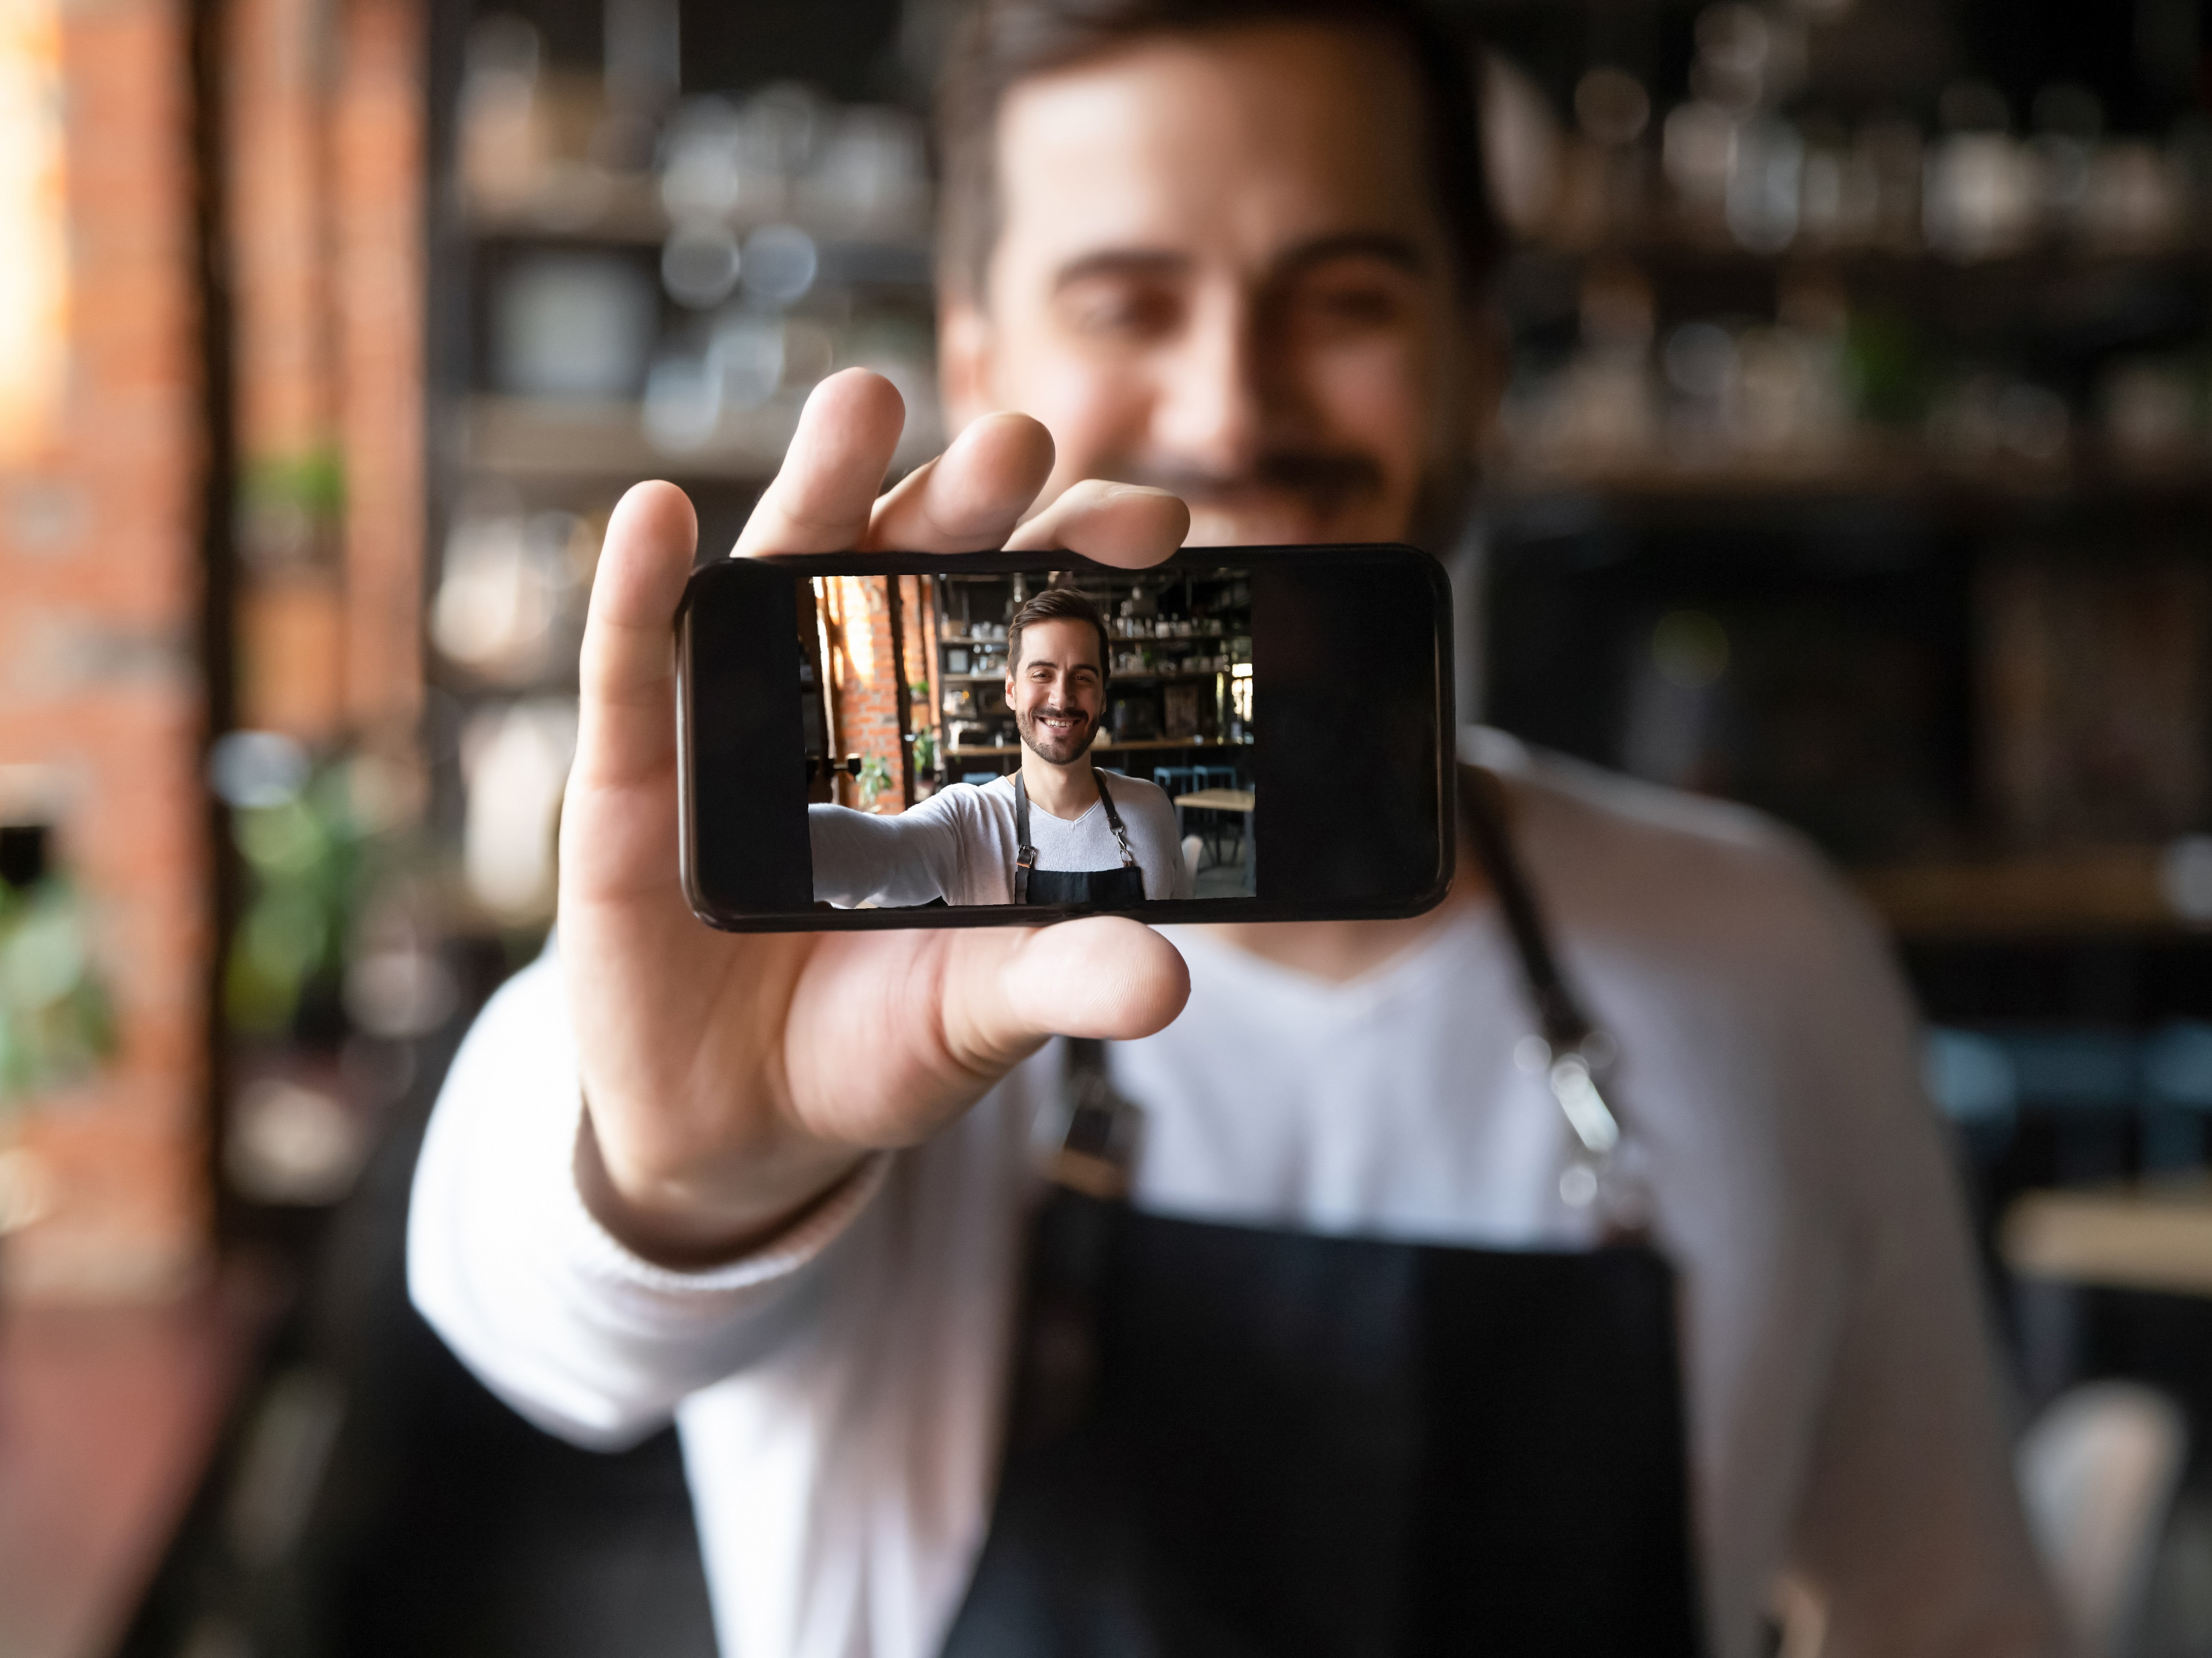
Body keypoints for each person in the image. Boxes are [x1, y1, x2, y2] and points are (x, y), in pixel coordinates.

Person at [409, 1, 2062, 1654]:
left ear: (1479, 355)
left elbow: (1948, 1616)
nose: (1233, 400)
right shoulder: (854, 940)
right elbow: (534, 1312)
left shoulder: (1764, 955)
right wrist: (685, 1174)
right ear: (978, 361)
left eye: (1344, 298)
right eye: (1129, 301)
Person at [808, 586, 1195, 909]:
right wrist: (777, 840)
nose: (1062, 698)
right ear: (1011, 690)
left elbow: (1184, 947)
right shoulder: (968, 820)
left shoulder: (1152, 807)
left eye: (1083, 677)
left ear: (1103, 697)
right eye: (1042, 674)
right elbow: (878, 853)